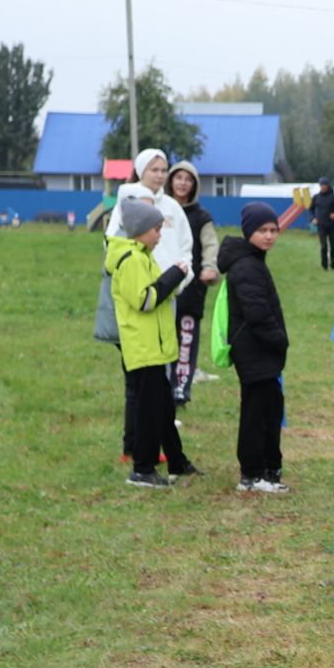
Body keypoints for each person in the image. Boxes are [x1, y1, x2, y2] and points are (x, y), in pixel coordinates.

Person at [98, 149, 189, 461]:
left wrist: (180, 277)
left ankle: (172, 457)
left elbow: (185, 248)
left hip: (162, 309)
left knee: (160, 389)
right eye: (154, 169)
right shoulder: (129, 248)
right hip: (143, 318)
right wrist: (169, 279)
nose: (160, 175)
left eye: (164, 169)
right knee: (143, 387)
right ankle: (140, 456)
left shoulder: (172, 209)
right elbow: (142, 297)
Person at [105, 198, 196, 489]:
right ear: (140, 231)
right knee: (149, 410)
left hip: (155, 347)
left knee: (164, 407)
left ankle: (177, 461)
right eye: (156, 229)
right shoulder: (131, 260)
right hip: (143, 348)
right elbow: (145, 300)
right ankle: (142, 469)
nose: (159, 235)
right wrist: (174, 275)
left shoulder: (143, 255)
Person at [219, 203, 290, 493]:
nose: (269, 236)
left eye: (274, 230)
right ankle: (253, 473)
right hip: (254, 351)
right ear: (249, 232)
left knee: (269, 407)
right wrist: (279, 339)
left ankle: (266, 468)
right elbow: (257, 313)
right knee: (258, 413)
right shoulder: (247, 266)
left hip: (260, 352)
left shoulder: (254, 260)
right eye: (263, 230)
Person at [167, 161, 220, 405]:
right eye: (178, 177)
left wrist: (210, 268)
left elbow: (210, 245)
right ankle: (162, 386)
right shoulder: (161, 209)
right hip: (162, 286)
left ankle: (181, 388)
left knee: (185, 339)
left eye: (188, 179)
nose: (182, 183)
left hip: (191, 289)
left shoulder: (201, 217)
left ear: (194, 185)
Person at [310, 178, 334, 271]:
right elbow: (311, 209)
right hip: (321, 225)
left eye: (324, 185)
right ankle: (324, 264)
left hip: (332, 225)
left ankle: (332, 259)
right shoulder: (316, 197)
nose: (323, 187)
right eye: (321, 185)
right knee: (324, 246)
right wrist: (313, 218)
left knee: (333, 245)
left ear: (328, 186)